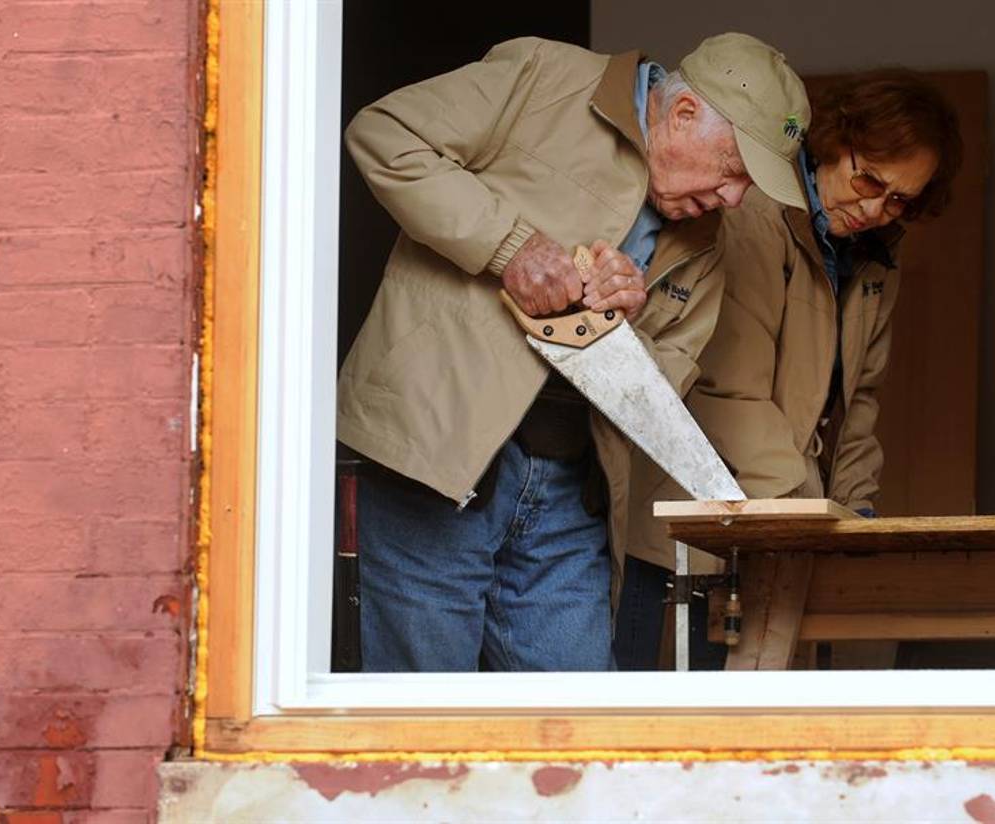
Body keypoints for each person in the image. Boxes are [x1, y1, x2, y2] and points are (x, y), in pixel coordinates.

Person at [338, 33, 810, 671]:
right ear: (685, 114)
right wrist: (513, 246)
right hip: (437, 450)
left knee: (578, 716)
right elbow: (384, 134)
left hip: (567, 488)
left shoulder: (707, 241)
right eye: (733, 171)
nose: (733, 199)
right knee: (427, 709)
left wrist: (618, 329)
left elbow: (661, 380)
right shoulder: (546, 76)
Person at [615, 68, 963, 670]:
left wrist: (859, 523)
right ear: (835, 139)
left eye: (901, 199)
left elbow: (858, 403)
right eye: (869, 179)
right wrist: (815, 518)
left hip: (780, 518)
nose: (877, 208)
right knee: (669, 728)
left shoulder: (875, 260)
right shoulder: (753, 213)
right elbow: (727, 394)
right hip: (695, 523)